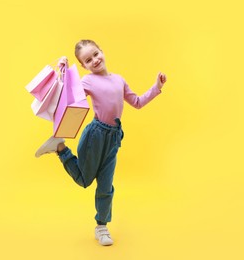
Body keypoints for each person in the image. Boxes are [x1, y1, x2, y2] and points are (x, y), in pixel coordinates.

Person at [35, 39, 167, 246]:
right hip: (95, 136)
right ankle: (60, 147)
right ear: (83, 66)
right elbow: (67, 96)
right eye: (88, 60)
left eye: (96, 54)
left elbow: (138, 103)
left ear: (102, 51)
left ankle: (102, 227)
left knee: (106, 186)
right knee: (85, 181)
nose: (94, 60)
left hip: (114, 138)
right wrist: (62, 70)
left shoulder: (119, 80)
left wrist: (156, 87)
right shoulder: (87, 81)